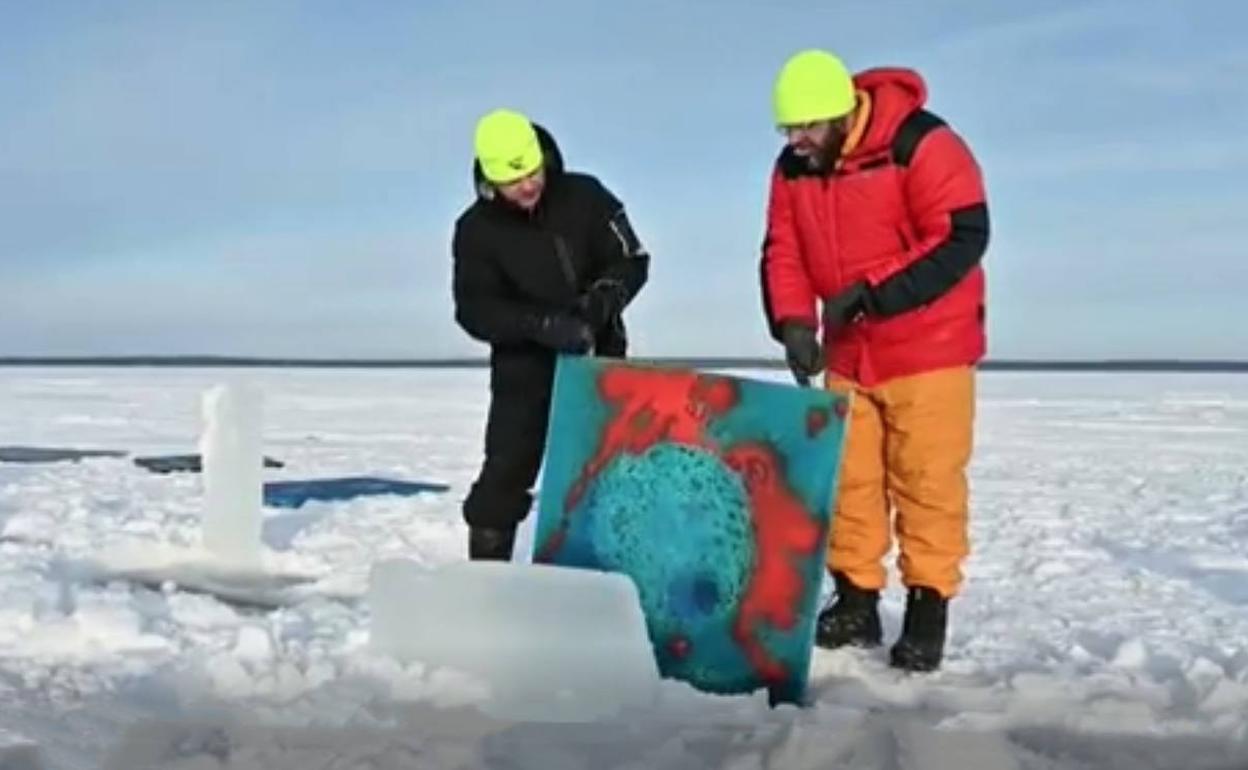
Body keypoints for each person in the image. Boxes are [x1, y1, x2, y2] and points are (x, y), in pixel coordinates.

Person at [758, 50, 990, 672]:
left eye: (807, 128)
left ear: (841, 115)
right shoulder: (793, 169)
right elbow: (783, 249)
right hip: (849, 350)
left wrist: (871, 293)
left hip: (929, 347)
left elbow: (962, 235)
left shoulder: (921, 143)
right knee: (851, 479)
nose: (797, 141)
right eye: (788, 130)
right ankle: (857, 600)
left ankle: (927, 606)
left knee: (926, 480)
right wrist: (795, 322)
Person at [451, 108, 650, 561]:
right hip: (524, 372)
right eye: (513, 180)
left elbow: (632, 260)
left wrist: (598, 306)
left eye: (533, 172)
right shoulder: (475, 230)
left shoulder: (586, 196)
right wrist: (540, 326)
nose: (528, 185)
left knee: (603, 475)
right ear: (489, 179)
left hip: (598, 362)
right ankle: (486, 581)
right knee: (503, 478)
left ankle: (602, 580)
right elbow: (474, 309)